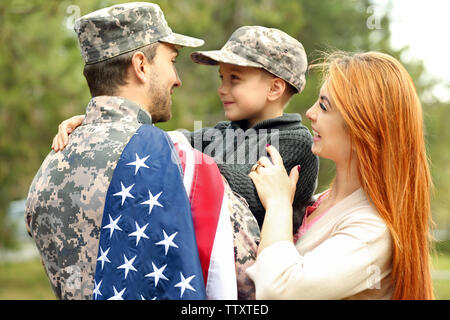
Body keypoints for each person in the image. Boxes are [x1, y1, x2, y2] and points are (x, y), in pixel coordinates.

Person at [25, 2, 259, 300]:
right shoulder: (179, 164)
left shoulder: (48, 171)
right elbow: (256, 282)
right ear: (141, 65)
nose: (178, 78)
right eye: (172, 60)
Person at [52, 25, 319, 232]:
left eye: (234, 79)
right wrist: (107, 122)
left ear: (274, 88)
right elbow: (168, 141)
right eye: (221, 78)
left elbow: (246, 196)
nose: (222, 89)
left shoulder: (295, 142)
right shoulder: (223, 133)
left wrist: (183, 156)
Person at [246, 51, 434, 300]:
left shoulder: (372, 231)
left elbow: (278, 291)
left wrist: (279, 203)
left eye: (324, 106)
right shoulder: (322, 201)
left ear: (363, 127)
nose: (310, 113)